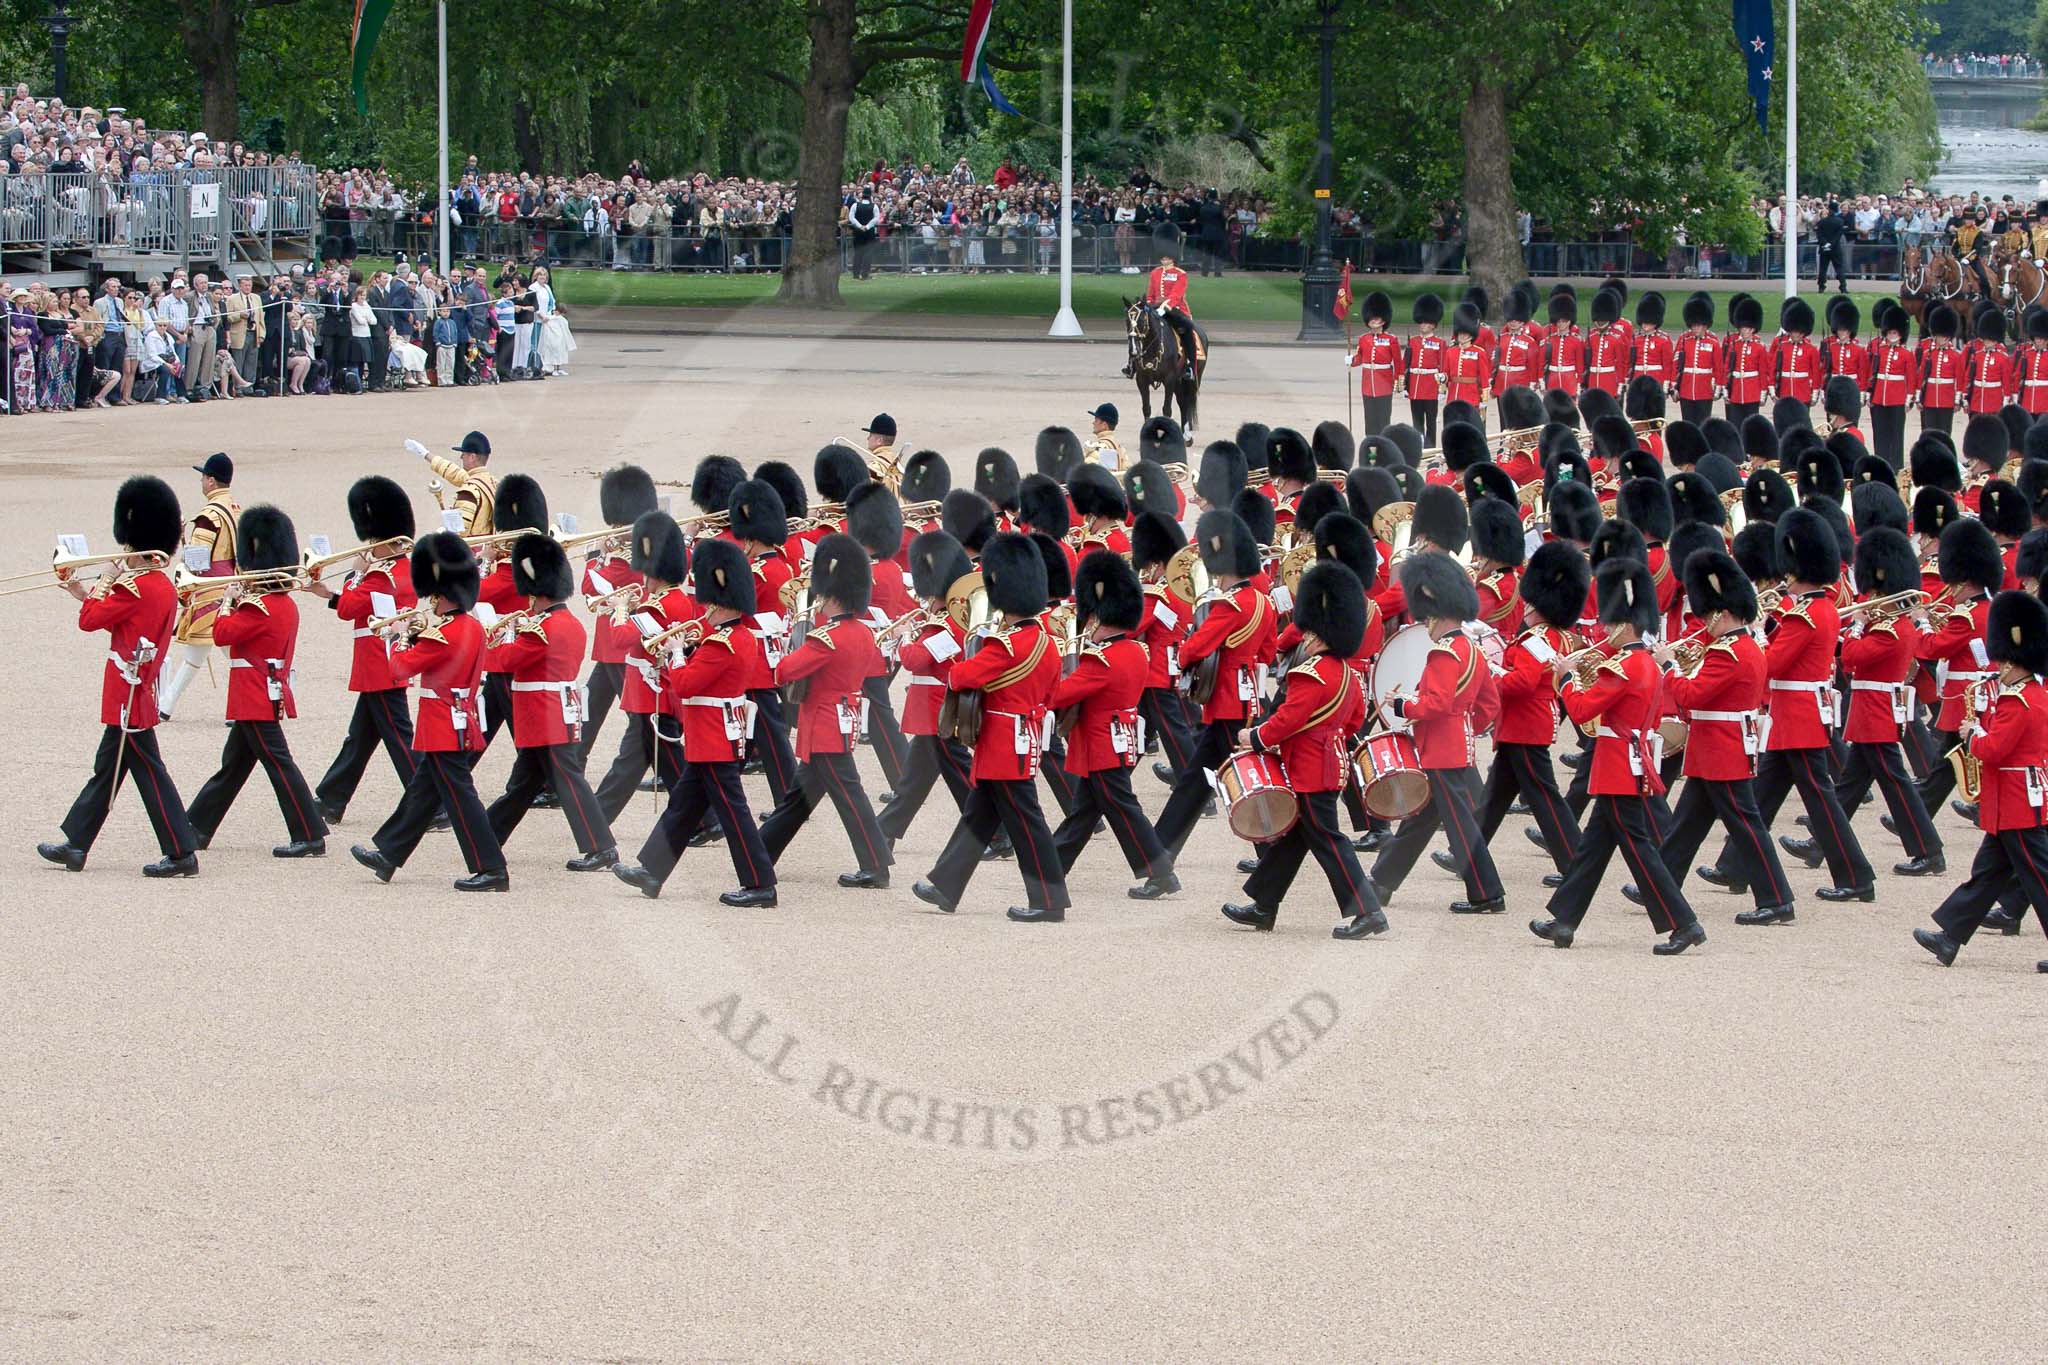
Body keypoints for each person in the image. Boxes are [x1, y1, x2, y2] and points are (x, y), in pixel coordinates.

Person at [1532, 558, 1707, 954]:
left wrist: (1566, 676)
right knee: (1593, 847)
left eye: (1611, 622)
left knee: (1639, 849)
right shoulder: (1644, 663)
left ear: (1626, 624)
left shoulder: (1623, 667)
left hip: (1617, 764)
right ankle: (1564, 921)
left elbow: (1580, 711)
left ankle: (1684, 924)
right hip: (1625, 760)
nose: (1606, 629)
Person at [1700, 508, 1875, 901]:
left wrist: (1753, 635)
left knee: (1821, 803)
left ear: (1795, 570)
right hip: (1793, 715)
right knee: (1762, 795)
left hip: (1796, 715)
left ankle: (1855, 876)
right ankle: (1735, 866)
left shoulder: (1805, 616)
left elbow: (1771, 664)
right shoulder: (1819, 608)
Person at [38, 476, 200, 878]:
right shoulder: (157, 585)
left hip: (128, 692)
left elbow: (90, 621)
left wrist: (106, 580)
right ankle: (76, 844)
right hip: (136, 688)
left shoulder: (132, 587)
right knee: (107, 770)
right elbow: (117, 621)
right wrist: (82, 589)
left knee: (149, 774)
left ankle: (181, 852)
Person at [912, 532, 1072, 921]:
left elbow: (961, 677)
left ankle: (1049, 901)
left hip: (1001, 742)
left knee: (1027, 825)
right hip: (1021, 736)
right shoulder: (1046, 642)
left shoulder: (1004, 645)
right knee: (979, 815)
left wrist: (970, 644)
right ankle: (946, 886)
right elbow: (1052, 695)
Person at [613, 539, 778, 905]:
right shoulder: (737, 637)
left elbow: (687, 686)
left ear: (720, 604)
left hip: (713, 736)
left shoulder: (722, 644)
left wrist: (674, 656)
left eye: (709, 604)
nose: (704, 610)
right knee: (683, 808)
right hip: (713, 736)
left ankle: (760, 883)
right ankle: (652, 871)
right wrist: (685, 652)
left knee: (735, 816)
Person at [1228, 561, 1388, 938]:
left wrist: (1256, 737)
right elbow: (1351, 723)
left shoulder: (1311, 673)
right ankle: (1264, 905)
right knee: (1294, 838)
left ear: (1316, 635)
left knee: (1328, 841)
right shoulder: (1348, 673)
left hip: (1310, 769)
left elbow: (1287, 720)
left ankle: (1367, 911)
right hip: (1329, 763)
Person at [349, 533, 509, 892]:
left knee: (461, 798)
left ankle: (491, 867)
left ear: (442, 595)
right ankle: (389, 853)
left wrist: (398, 636)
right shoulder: (469, 628)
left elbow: (400, 669)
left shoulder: (444, 634)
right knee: (422, 792)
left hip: (441, 723)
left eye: (433, 596)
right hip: (454, 719)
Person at [1912, 590, 2048, 971]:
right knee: (1987, 876)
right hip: (2013, 800)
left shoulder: (2018, 700)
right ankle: (1949, 938)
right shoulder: (2033, 694)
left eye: (2004, 657)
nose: (1999, 664)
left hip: (2017, 800)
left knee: (2040, 878)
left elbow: (1993, 750)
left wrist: (1972, 732)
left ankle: (1949, 936)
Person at [1366, 550, 1506, 914]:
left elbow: (1435, 703)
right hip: (1454, 745)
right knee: (1419, 820)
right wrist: (1465, 728)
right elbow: (1489, 704)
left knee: (1459, 826)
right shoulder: (1471, 649)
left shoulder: (1444, 654)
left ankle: (1486, 893)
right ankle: (1381, 882)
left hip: (1441, 748)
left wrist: (1402, 706)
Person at [184, 506, 328, 858]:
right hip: (261, 692)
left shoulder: (258, 607)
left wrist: (228, 601)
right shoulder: (282, 604)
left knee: (279, 765)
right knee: (233, 767)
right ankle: (196, 826)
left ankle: (309, 833)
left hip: (253, 695)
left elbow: (220, 634)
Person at [757, 533, 895, 887]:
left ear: (831, 595)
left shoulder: (827, 638)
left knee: (850, 798)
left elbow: (785, 670)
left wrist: (789, 639)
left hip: (824, 725)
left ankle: (877, 865)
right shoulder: (862, 634)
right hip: (840, 719)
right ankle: (759, 852)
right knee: (796, 801)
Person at [482, 533, 617, 870]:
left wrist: (493, 636)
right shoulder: (567, 623)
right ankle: (486, 835)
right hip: (554, 712)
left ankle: (602, 847)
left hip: (544, 715)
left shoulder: (539, 629)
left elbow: (503, 662)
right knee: (522, 785)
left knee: (569, 781)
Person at [1047, 551, 1178, 900]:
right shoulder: (1136, 651)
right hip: (1115, 739)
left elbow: (1060, 694)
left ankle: (1160, 871)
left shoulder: (1100, 658)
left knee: (1123, 810)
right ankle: (1051, 869)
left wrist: (1055, 665)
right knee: (1083, 815)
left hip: (1100, 743)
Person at [1150, 510, 1277, 855]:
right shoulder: (1263, 603)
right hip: (1249, 700)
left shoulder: (1229, 605)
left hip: (1225, 704)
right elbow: (1268, 653)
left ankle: (1159, 856)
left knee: (1199, 784)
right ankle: (1160, 854)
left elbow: (1192, 650)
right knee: (1232, 779)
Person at [1470, 540, 1588, 874]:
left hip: (1526, 726)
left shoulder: (1536, 639)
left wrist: (1489, 681)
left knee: (1546, 800)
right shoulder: (1553, 636)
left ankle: (1576, 864)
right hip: (1520, 726)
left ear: (1536, 606)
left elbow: (1522, 682)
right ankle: (1467, 852)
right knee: (1494, 797)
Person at [310, 476, 419, 823]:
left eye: (374, 539)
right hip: (381, 662)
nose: (369, 545)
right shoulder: (399, 569)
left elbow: (350, 608)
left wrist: (355, 574)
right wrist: (326, 594)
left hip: (379, 664)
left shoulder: (380, 575)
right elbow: (354, 606)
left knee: (401, 742)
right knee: (359, 740)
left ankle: (434, 804)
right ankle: (331, 799)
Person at [875, 531, 979, 847]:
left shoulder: (949, 624)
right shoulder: (939, 619)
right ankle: (884, 831)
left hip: (940, 710)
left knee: (962, 778)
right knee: (913, 781)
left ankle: (995, 830)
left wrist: (906, 635)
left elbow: (915, 660)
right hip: (930, 710)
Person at [595, 510, 695, 818]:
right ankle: (704, 819)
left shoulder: (658, 604)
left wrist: (621, 608)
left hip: (650, 694)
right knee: (668, 767)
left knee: (629, 767)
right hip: (656, 694)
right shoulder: (677, 601)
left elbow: (621, 639)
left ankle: (594, 824)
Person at [575, 465, 658, 765]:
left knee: (638, 716)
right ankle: (571, 764)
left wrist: (595, 556)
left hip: (621, 644)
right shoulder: (632, 548)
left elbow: (591, 588)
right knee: (590, 710)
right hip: (611, 646)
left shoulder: (627, 558)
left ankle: (664, 762)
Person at [159, 452, 241, 720]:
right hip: (231, 578)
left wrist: (182, 539)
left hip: (210, 585)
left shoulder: (208, 515)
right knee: (209, 649)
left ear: (211, 481)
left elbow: (197, 558)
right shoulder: (235, 507)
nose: (202, 482)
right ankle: (167, 702)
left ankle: (167, 704)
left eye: (204, 477)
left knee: (220, 649)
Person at [413, 431, 498, 535]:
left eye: (463, 454)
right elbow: (454, 472)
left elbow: (459, 532)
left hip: (473, 549)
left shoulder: (469, 491)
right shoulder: (492, 482)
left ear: (472, 457)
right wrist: (426, 454)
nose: (461, 457)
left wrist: (445, 532)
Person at [1347, 290, 1402, 436]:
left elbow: (1398, 363)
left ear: (1383, 320)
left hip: (1384, 384)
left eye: (1376, 318)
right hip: (1367, 386)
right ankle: (1370, 448)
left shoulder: (1392, 339)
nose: (1372, 321)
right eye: (1370, 318)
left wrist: (1398, 383)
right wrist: (1352, 360)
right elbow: (1360, 357)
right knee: (1369, 420)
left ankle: (1383, 447)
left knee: (1383, 420)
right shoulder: (1364, 339)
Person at [1405, 293, 1447, 444]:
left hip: (1430, 387)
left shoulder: (1440, 343)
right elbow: (1407, 365)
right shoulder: (1413, 342)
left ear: (1433, 324)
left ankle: (1431, 447)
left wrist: (1442, 389)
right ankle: (1419, 446)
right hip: (1415, 387)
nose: (1423, 325)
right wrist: (1405, 386)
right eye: (1421, 322)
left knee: (1431, 421)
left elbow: (1443, 367)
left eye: (1426, 322)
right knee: (1417, 422)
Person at [1815, 199, 1850, 292]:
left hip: (1824, 248)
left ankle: (1821, 286)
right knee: (1839, 267)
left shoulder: (1822, 222)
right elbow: (1838, 236)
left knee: (1823, 268)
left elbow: (1819, 235)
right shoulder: (1840, 221)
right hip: (1835, 248)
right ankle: (1843, 287)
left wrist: (1825, 244)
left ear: (1829, 209)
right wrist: (1831, 244)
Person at [1084, 402, 1124, 467]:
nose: (1093, 423)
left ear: (1104, 425)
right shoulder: (1121, 450)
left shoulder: (1100, 448)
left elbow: (1086, 469)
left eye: (1096, 420)